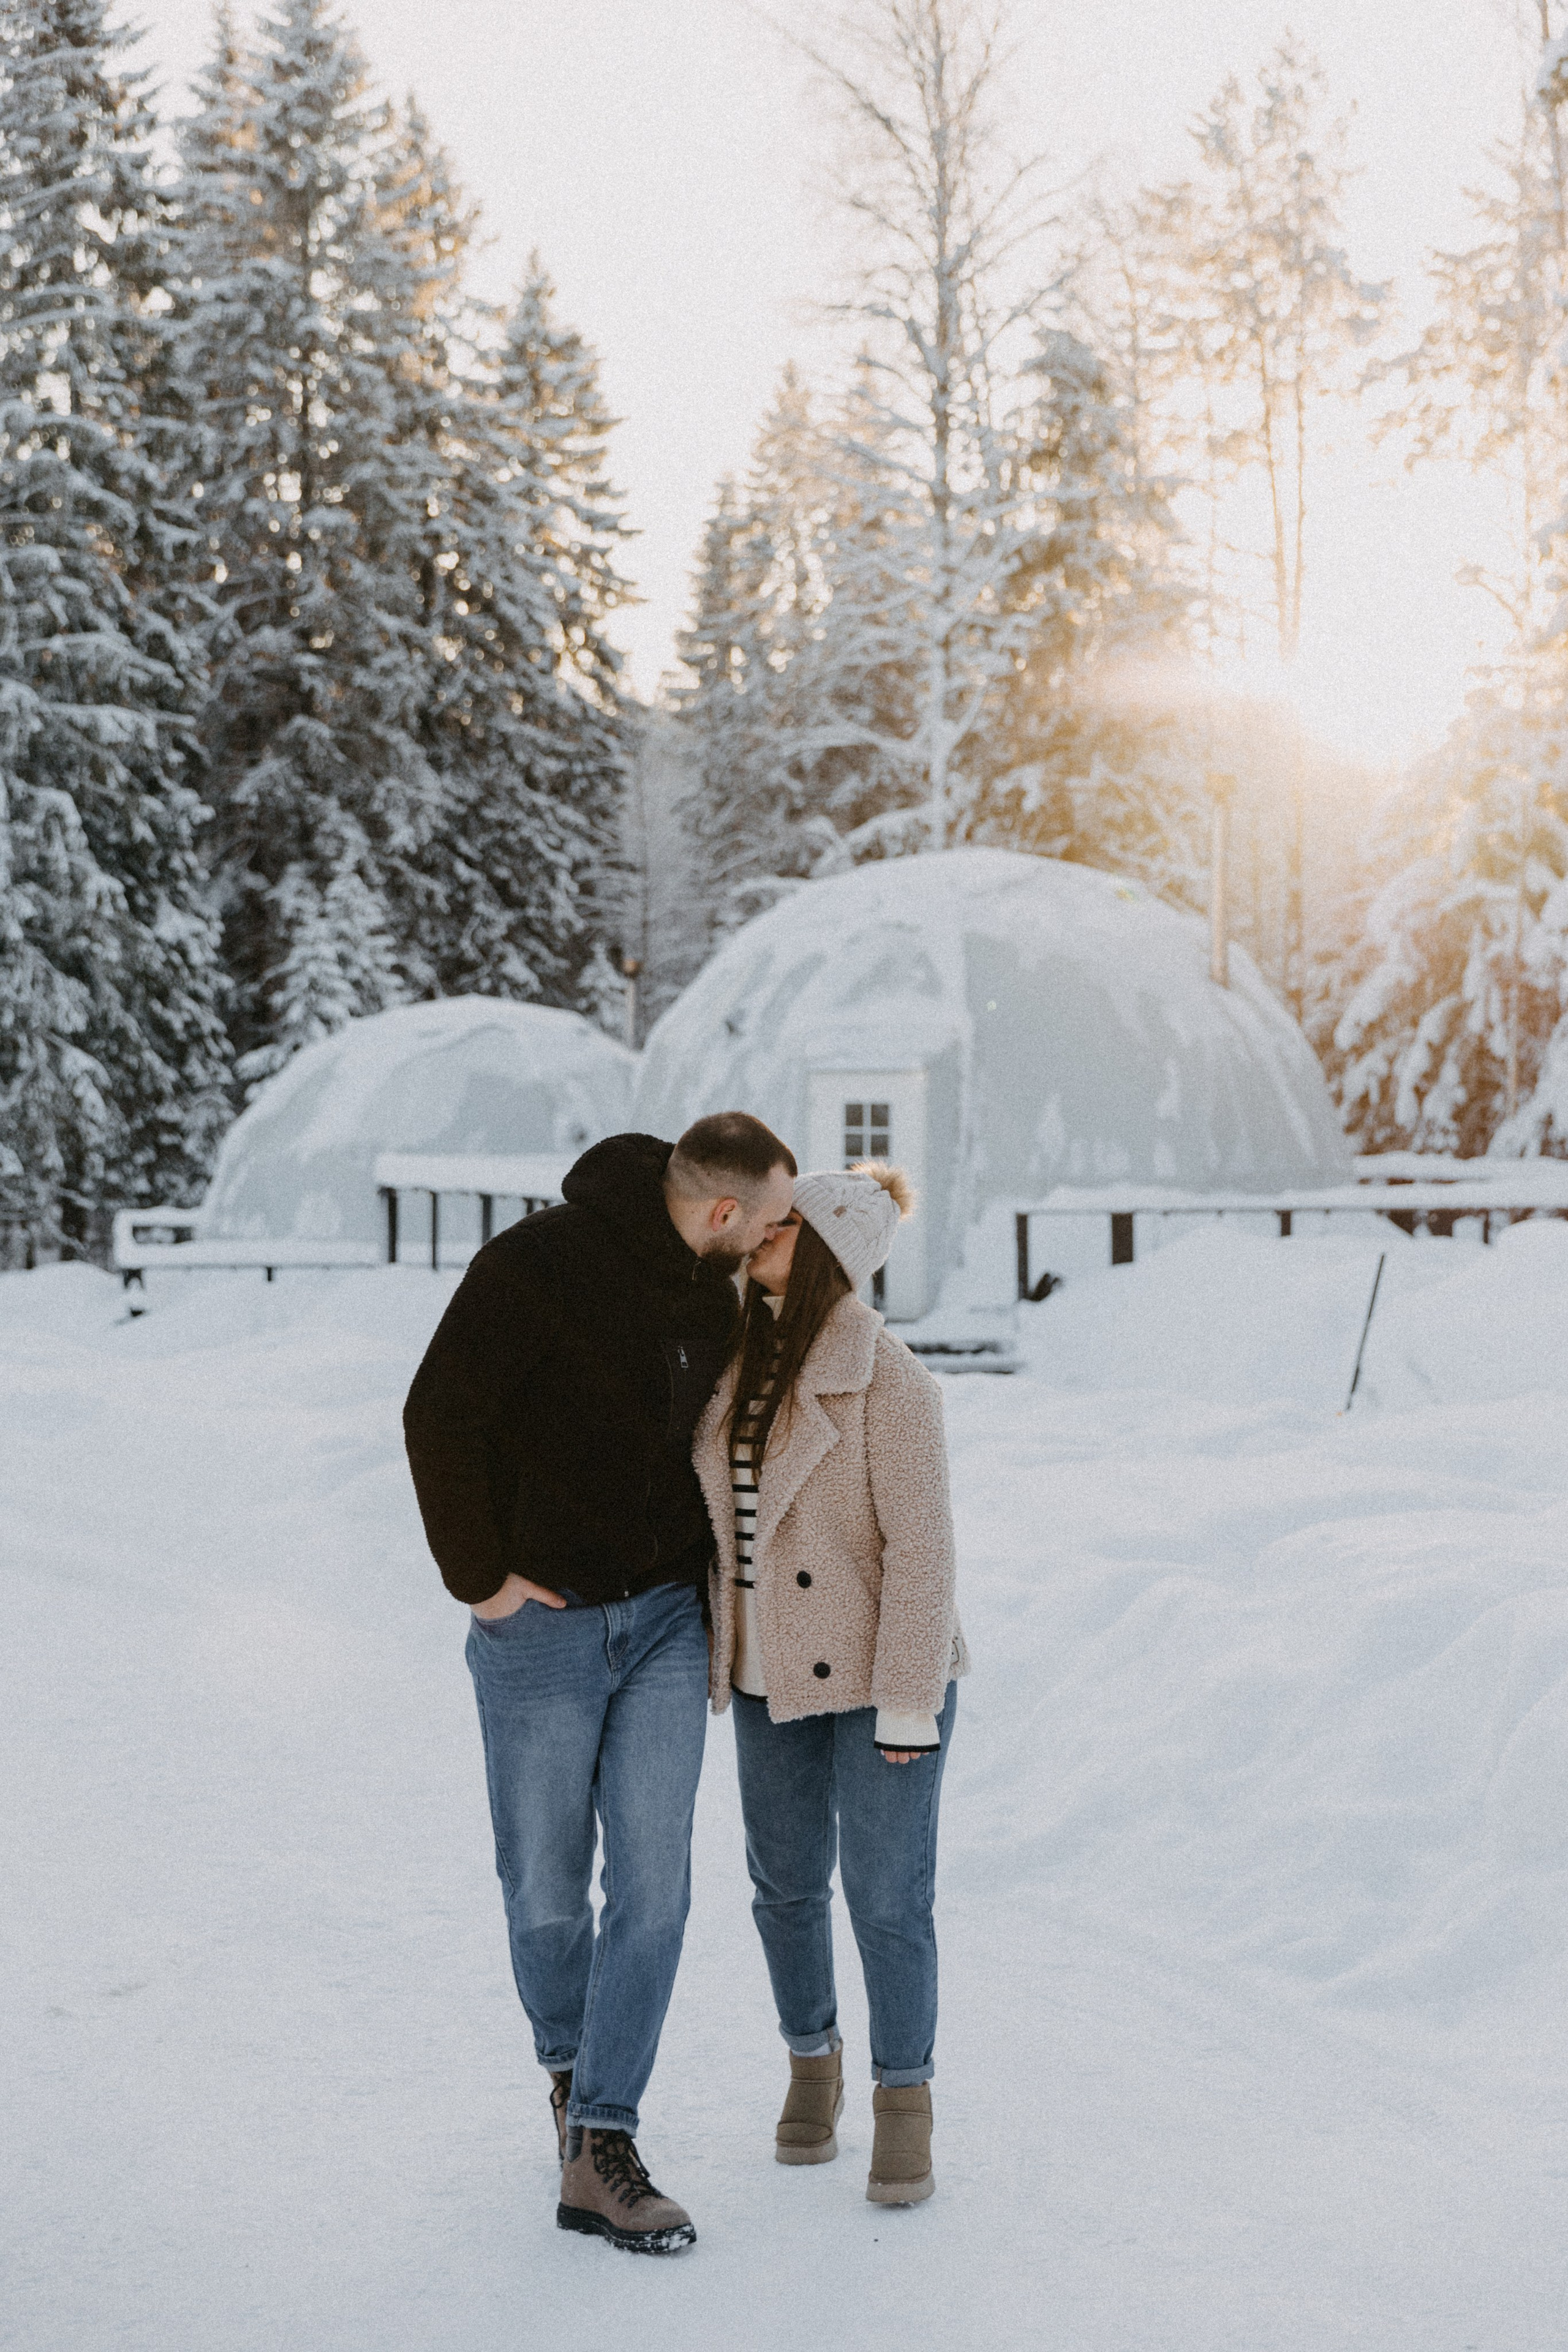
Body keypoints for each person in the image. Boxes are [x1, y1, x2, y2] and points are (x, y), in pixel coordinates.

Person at [403, 1115, 797, 2256]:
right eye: (768, 1220)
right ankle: (573, 2081)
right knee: (543, 1888)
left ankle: (606, 2143)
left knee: (657, 1891)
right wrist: (482, 1580)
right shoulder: (533, 1265)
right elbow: (442, 1415)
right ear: (722, 1211)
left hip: (668, 1620)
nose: (773, 1240)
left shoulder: (710, 1295)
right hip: (543, 1633)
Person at [693, 1161, 969, 2207]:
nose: (759, 1236)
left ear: (823, 1247)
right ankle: (813, 2063)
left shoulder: (889, 1379)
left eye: (780, 1226)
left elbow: (924, 1553)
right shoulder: (735, 1361)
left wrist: (910, 1702)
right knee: (785, 1885)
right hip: (767, 1677)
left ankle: (906, 2100)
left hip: (880, 1677)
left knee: (890, 1898)